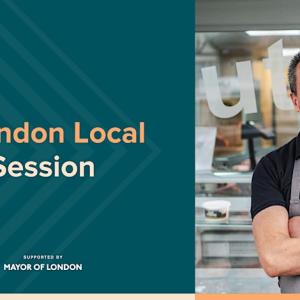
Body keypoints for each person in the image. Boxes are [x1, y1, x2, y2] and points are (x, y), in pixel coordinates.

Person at [252, 52, 300, 293]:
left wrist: (295, 230)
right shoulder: (273, 167)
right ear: (295, 100)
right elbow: (274, 258)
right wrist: (282, 247)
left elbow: (287, 253)